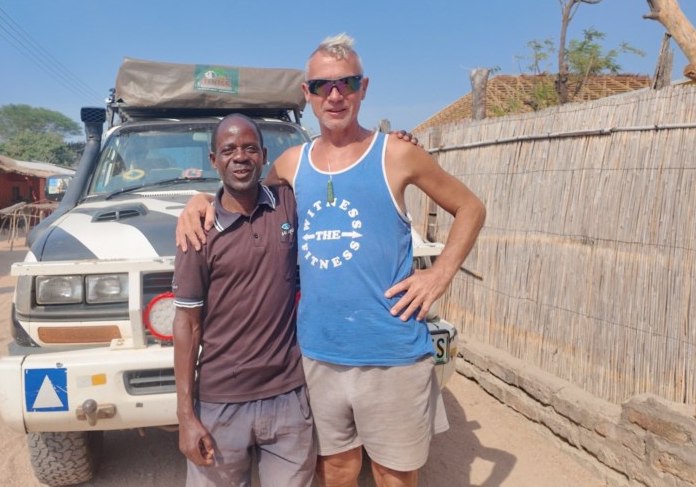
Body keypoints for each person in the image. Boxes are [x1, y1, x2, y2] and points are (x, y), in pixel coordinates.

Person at [177, 34, 486, 487]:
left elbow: (471, 209)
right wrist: (199, 199)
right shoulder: (290, 163)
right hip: (317, 358)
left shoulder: (396, 153)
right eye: (323, 86)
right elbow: (240, 191)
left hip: (392, 354)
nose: (336, 95)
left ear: (363, 88)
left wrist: (438, 276)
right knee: (336, 470)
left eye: (347, 83)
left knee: (393, 474)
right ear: (308, 95)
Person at [172, 114, 315, 487]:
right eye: (229, 150)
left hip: (288, 398)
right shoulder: (198, 231)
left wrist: (394, 138)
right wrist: (185, 415)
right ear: (213, 160)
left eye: (250, 148)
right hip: (220, 404)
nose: (240, 157)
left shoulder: (287, 205)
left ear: (264, 155)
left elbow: (339, 163)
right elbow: (187, 323)